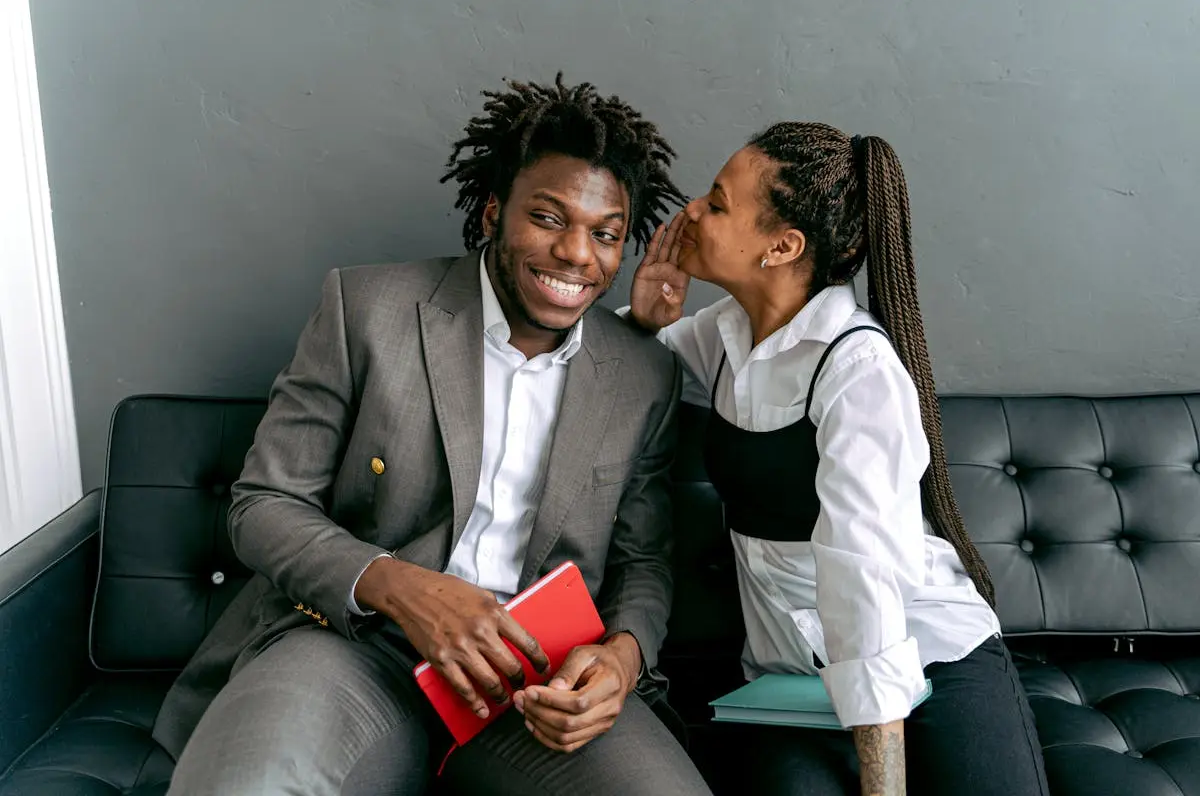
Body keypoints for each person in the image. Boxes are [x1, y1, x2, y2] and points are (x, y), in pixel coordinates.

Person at [152, 73, 714, 796]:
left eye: (605, 234)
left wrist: (622, 659)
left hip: (536, 679)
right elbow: (263, 504)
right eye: (548, 218)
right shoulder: (365, 309)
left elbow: (644, 563)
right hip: (351, 646)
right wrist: (404, 589)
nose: (578, 254)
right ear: (492, 213)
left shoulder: (641, 373)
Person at [625, 122, 1049, 796]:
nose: (691, 213)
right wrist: (645, 321)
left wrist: (884, 781)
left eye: (716, 200)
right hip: (790, 677)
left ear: (782, 246)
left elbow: (863, 578)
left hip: (928, 649)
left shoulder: (858, 371)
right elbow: (616, 383)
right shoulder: (724, 334)